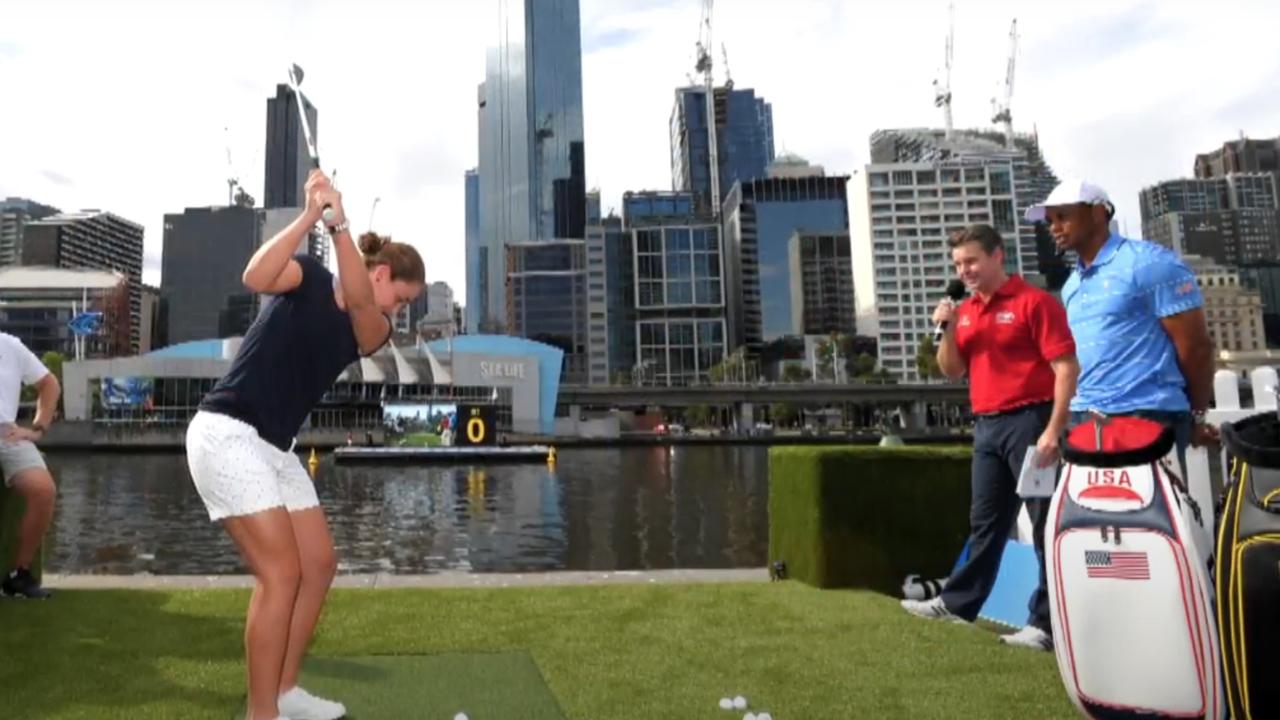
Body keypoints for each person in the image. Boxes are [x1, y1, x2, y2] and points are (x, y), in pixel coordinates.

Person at [185, 169, 424, 720]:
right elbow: (255, 274)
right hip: (225, 432)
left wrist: (339, 227)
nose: (398, 312)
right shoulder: (309, 275)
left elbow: (362, 305)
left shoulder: (374, 327)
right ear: (384, 272)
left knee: (318, 563)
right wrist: (311, 216)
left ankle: (286, 693)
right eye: (402, 298)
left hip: (273, 445)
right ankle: (260, 713)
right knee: (281, 574)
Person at [900, 224, 1079, 652]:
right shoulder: (967, 312)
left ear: (998, 256)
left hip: (1030, 422)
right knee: (985, 524)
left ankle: (1047, 624)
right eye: (959, 264)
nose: (965, 271)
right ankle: (959, 603)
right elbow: (951, 369)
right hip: (987, 425)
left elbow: (1067, 369)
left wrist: (1054, 429)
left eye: (972, 261)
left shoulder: (1033, 302)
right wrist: (946, 327)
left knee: (1043, 525)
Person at [1026, 179, 1216, 475]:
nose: (1054, 227)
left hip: (1149, 416)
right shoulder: (1072, 285)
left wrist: (1195, 416)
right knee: (1090, 520)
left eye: (1063, 216)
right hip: (1084, 418)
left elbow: (1197, 348)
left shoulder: (1150, 263)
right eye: (1050, 220)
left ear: (1099, 213)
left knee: (1154, 519)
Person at [0, 333, 61, 600]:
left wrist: (36, 429)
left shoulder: (10, 346)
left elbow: (49, 385)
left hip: (6, 433)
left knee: (42, 489)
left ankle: (18, 575)